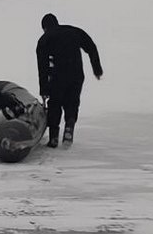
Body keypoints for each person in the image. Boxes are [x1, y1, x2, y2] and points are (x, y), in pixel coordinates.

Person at [36, 13, 103, 148]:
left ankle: (54, 138)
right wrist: (97, 69)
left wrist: (44, 89)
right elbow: (91, 46)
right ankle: (69, 130)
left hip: (58, 76)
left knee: (55, 104)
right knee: (72, 102)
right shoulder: (74, 31)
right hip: (76, 75)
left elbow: (42, 67)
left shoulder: (44, 40)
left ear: (44, 28)